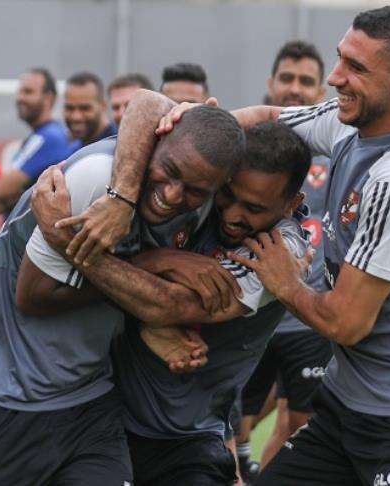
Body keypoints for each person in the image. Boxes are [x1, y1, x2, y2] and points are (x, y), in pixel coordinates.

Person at [65, 5, 390, 485]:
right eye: (340, 58)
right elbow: (268, 117)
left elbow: (345, 323)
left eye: (356, 68)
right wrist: (202, 123)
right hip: (348, 406)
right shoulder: (349, 125)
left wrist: (285, 282)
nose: (335, 77)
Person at [0, 97, 245, 485]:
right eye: (169, 171)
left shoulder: (202, 200)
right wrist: (151, 265)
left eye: (195, 190)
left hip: (87, 401)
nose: (172, 195)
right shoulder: (97, 179)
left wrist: (152, 319)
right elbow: (34, 296)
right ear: (160, 138)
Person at [31, 121, 310, 486]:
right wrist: (133, 219)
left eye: (253, 208)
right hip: (104, 414)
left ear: (292, 205)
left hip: (187, 438)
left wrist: (66, 242)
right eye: (228, 195)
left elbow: (169, 305)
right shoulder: (191, 196)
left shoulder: (280, 253)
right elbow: (147, 107)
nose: (232, 215)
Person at [236, 40, 331, 479]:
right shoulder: (245, 150)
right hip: (247, 312)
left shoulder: (338, 153)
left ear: (321, 92)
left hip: (307, 320)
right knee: (233, 424)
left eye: (306, 81)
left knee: (303, 428)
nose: (295, 88)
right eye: (287, 78)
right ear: (270, 83)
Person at [0, 68, 71, 214]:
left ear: (48, 98)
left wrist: (14, 196)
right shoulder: (43, 135)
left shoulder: (47, 137)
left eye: (28, 92)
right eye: (19, 92)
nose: (20, 98)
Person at [64, 71, 116, 151]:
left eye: (85, 108)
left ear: (103, 106)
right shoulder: (73, 151)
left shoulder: (118, 147)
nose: (76, 117)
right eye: (70, 108)